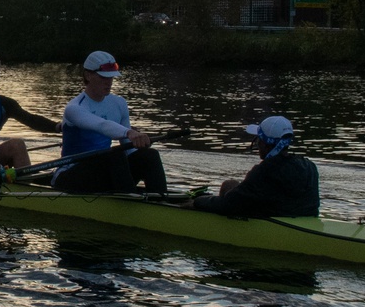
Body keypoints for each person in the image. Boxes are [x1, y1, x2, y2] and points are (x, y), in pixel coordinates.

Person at [50, 51, 167, 194]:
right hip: (70, 175)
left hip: (103, 171)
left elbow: (128, 149)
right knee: (114, 154)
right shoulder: (75, 108)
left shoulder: (119, 103)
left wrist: (140, 144)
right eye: (103, 77)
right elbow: (101, 125)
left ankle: (160, 198)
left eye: (111, 77)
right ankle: (128, 200)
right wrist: (129, 132)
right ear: (88, 75)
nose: (109, 82)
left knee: (149, 155)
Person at [185, 115, 320, 217]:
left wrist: (198, 201)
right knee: (230, 184)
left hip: (273, 222)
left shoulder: (265, 171)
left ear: (265, 144)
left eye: (258, 140)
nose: (257, 144)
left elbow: (227, 205)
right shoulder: (309, 166)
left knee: (227, 187)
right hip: (301, 215)